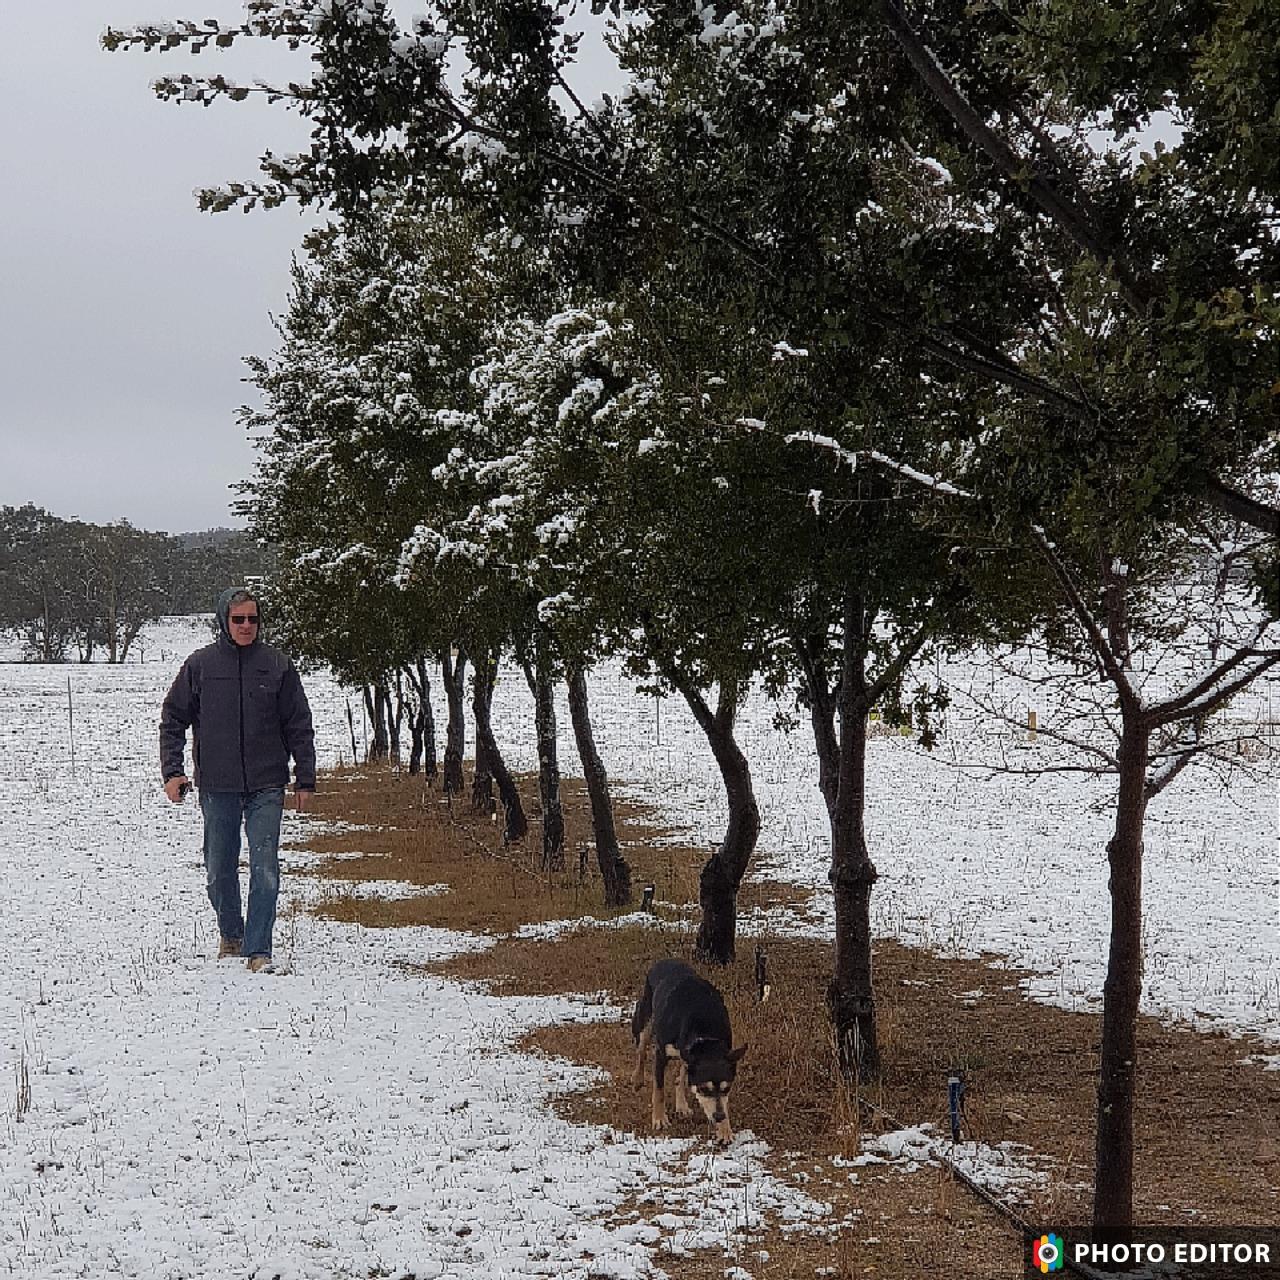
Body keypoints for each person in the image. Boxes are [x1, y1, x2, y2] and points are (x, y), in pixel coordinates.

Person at [160, 588, 316, 972]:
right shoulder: (200, 666)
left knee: (265, 867)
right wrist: (173, 772)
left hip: (267, 784)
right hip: (217, 786)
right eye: (238, 619)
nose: (247, 626)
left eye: (253, 619)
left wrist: (305, 779)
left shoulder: (277, 665)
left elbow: (299, 724)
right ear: (224, 622)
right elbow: (173, 720)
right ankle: (231, 934)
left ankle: (258, 949)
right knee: (218, 870)